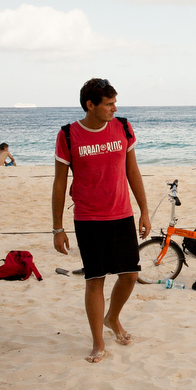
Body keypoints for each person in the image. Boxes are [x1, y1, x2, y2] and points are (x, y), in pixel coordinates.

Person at [52, 78, 151, 363]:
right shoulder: (68, 135)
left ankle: (113, 318)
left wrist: (143, 210)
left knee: (130, 275)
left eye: (114, 102)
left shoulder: (122, 127)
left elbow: (133, 171)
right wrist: (58, 228)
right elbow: (59, 184)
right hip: (88, 218)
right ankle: (98, 342)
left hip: (122, 214)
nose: (114, 108)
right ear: (90, 105)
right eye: (108, 104)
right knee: (95, 280)